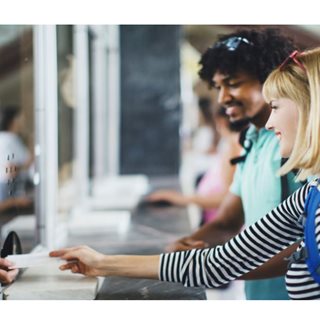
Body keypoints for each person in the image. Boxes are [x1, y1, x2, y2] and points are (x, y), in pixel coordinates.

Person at [50, 47, 320, 300]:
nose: (270, 122)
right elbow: (219, 263)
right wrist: (101, 263)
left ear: (311, 108)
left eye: (275, 106)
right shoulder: (311, 192)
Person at [158, 29, 303, 300]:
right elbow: (227, 221)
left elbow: (305, 243)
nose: (223, 97)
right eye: (218, 87)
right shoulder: (251, 138)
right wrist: (188, 244)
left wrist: (214, 267)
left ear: (270, 79)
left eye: (233, 83)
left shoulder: (294, 141)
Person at [147, 105, 242, 224]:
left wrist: (179, 199)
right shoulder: (229, 144)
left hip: (222, 225)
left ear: (221, 121)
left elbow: (227, 198)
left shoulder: (233, 146)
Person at [0, 105, 33, 212]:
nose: (23, 122)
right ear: (13, 121)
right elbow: (10, 170)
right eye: (21, 118)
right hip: (8, 193)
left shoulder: (10, 139)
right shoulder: (8, 140)